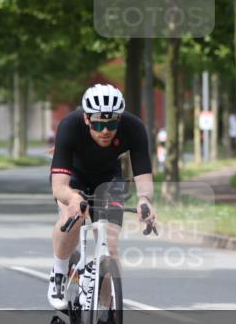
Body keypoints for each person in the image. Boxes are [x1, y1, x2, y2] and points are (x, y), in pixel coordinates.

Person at [47, 83, 156, 310]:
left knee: (111, 243)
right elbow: (59, 187)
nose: (105, 130)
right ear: (86, 119)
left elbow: (143, 175)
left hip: (108, 177)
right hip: (73, 176)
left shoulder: (133, 127)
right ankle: (58, 272)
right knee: (73, 214)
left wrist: (145, 201)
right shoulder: (69, 125)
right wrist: (74, 198)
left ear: (120, 118)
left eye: (111, 124)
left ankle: (106, 314)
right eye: (98, 124)